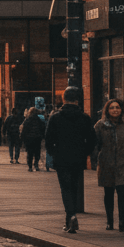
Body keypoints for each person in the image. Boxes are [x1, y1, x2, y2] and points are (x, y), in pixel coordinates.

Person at [45, 87, 96, 234]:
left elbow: (48, 139)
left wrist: (54, 153)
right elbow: (92, 139)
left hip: (61, 158)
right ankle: (69, 218)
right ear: (77, 100)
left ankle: (71, 216)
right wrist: (85, 153)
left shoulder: (55, 117)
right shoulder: (85, 118)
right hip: (78, 158)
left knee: (65, 188)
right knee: (74, 187)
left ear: (63, 99)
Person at [95, 98, 124, 231]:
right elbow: (95, 143)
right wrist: (96, 158)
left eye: (117, 107)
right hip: (106, 163)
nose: (115, 110)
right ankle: (109, 221)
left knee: (122, 193)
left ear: (121, 109)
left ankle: (122, 222)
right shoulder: (100, 125)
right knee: (108, 193)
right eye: (112, 108)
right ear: (107, 110)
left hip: (123, 163)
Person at [20, 107, 46, 172]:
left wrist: (22, 138)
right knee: (37, 152)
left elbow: (24, 130)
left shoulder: (27, 120)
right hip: (37, 138)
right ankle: (36, 165)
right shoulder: (39, 120)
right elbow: (43, 129)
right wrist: (42, 136)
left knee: (30, 153)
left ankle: (30, 166)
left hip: (29, 139)